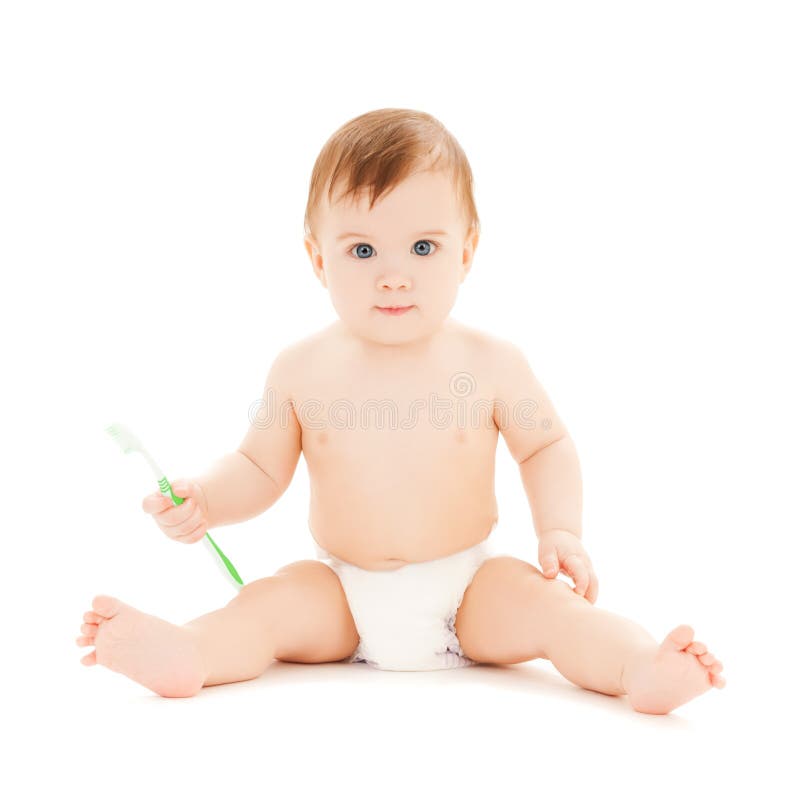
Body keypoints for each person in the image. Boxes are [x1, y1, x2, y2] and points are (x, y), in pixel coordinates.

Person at [76, 108, 725, 714]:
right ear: (316, 258)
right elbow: (258, 466)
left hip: (470, 588)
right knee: (267, 606)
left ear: (466, 251)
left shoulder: (492, 362)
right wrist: (207, 501)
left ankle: (638, 668)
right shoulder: (301, 369)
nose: (393, 276)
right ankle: (190, 654)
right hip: (344, 593)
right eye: (362, 251)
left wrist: (561, 531)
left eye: (422, 248)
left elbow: (545, 446)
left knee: (553, 612)